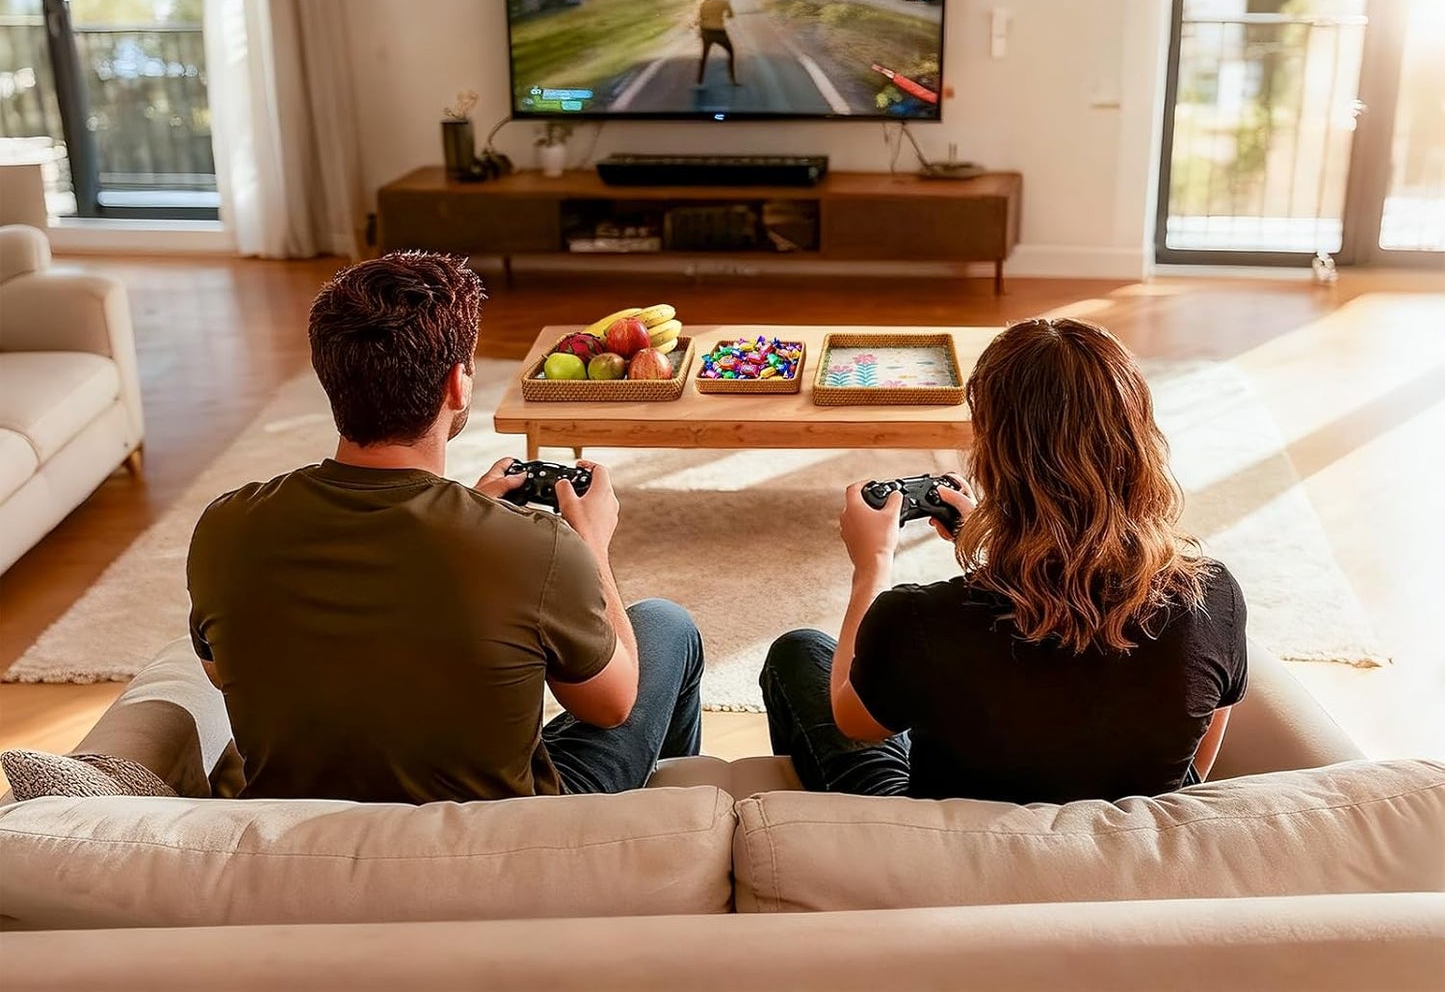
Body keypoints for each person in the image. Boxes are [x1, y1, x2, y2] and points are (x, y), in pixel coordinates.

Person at [187, 252, 703, 802]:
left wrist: (470, 511)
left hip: (302, 824)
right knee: (666, 625)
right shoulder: (537, 546)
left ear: (330, 378)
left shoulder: (226, 526)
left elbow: (222, 673)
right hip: (499, 839)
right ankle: (660, 827)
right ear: (458, 384)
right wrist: (592, 549)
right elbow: (612, 704)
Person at [761, 318, 1248, 803]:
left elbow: (854, 721)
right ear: (1138, 439)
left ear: (995, 452)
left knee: (799, 652)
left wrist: (873, 566)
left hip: (954, 843)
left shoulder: (918, 621)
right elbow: (1193, 766)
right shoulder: (1213, 597)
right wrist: (1003, 549)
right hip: (1120, 839)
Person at [694, 0, 739, 86]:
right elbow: (730, 15)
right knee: (731, 53)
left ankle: (700, 81)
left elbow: (698, 15)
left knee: (704, 55)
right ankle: (732, 80)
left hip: (706, 30)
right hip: (719, 31)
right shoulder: (724, 0)